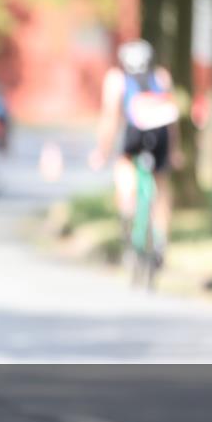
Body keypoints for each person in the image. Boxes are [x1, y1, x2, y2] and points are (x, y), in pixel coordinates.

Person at [89, 39, 181, 265]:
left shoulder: (116, 79)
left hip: (135, 132)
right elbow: (172, 117)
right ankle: (161, 241)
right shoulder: (161, 76)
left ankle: (127, 213)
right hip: (160, 134)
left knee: (125, 167)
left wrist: (102, 151)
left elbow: (110, 117)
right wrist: (175, 151)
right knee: (162, 185)